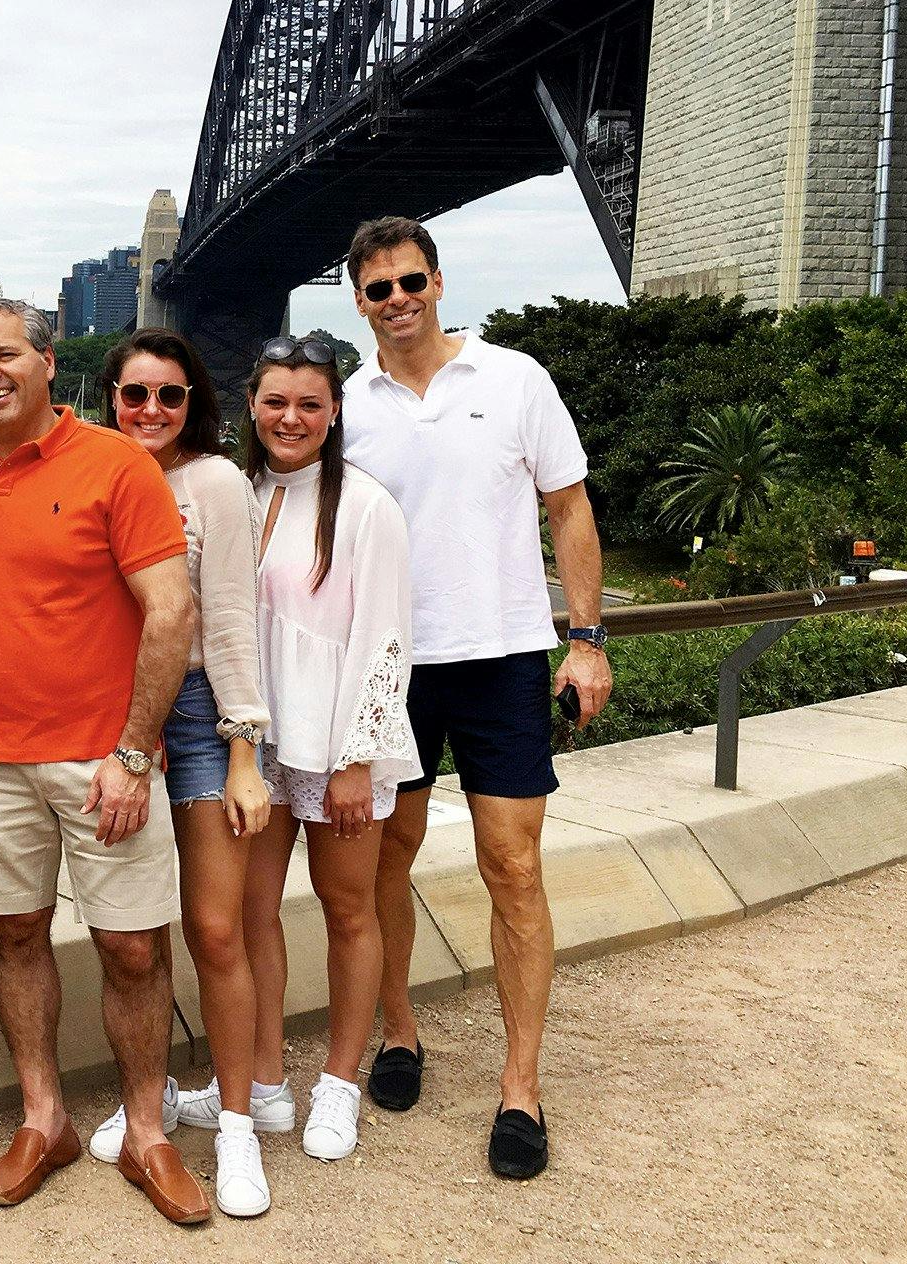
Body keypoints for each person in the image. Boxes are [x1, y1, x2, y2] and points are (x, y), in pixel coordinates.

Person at [339, 216, 612, 1181]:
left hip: (503, 656)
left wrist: (587, 641)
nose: (398, 300)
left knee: (514, 865)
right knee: (388, 856)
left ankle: (520, 1086)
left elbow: (569, 507)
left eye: (411, 281)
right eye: (379, 289)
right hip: (390, 664)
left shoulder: (516, 378)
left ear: (439, 282)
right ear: (359, 301)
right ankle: (399, 1032)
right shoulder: (346, 405)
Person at [0, 299, 208, 1226]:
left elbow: (171, 611)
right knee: (14, 935)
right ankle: (43, 1118)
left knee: (132, 945)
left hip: (104, 757)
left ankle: (147, 1133)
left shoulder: (117, 464)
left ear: (48, 363)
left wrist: (133, 753)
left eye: (4, 354)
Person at [94, 327, 274, 1219]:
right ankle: (151, 1097)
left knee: (214, 927)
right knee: (134, 930)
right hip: (114, 711)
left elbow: (232, 615)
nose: (152, 409)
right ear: (111, 398)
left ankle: (237, 1126)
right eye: (136, 394)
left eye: (170, 394)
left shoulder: (215, 482)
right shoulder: (92, 471)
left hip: (201, 714)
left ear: (192, 401)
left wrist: (245, 751)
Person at [240, 334, 422, 1165]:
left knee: (348, 909)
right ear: (252, 405)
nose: (291, 418)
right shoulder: (241, 492)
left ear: (334, 412)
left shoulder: (366, 506)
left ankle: (340, 1083)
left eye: (309, 404)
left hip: (338, 740)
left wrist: (356, 759)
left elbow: (386, 638)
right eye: (276, 401)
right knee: (253, 911)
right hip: (258, 743)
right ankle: (266, 1083)